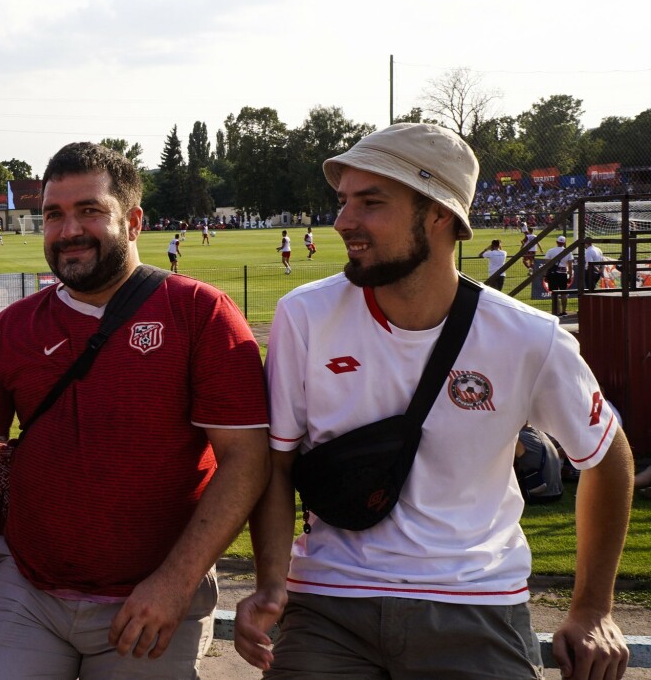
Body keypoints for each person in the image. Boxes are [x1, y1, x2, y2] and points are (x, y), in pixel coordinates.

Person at [0, 142, 270, 680]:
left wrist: (175, 582)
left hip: (151, 591)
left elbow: (246, 460)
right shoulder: (15, 326)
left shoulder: (200, 313)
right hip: (30, 588)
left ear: (133, 222)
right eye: (54, 215)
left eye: (89, 211)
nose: (67, 230)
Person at [235, 122, 633, 680]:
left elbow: (607, 456)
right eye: (345, 200)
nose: (343, 220)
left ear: (440, 213)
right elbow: (275, 464)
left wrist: (592, 609)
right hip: (330, 604)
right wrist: (273, 583)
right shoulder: (306, 316)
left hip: (477, 605)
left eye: (371, 202)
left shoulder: (528, 337)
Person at [545, 234, 570, 316]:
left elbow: (547, 264)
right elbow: (570, 265)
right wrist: (569, 275)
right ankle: (564, 311)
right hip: (563, 273)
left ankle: (557, 311)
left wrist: (545, 275)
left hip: (553, 274)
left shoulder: (550, 251)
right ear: (564, 243)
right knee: (564, 293)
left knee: (554, 293)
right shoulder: (568, 252)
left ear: (557, 242)